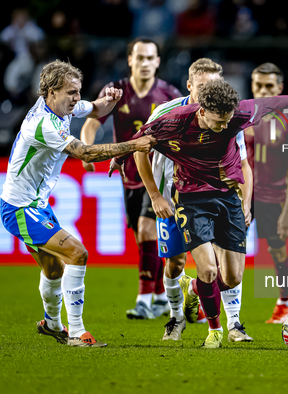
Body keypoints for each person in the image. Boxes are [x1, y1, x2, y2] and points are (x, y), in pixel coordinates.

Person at [110, 79, 288, 348]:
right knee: (207, 269)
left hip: (228, 198)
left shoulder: (240, 113)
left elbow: (277, 103)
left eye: (228, 120)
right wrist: (119, 157)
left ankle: (192, 288)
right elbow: (139, 140)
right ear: (202, 111)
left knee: (232, 278)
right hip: (191, 198)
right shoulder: (175, 121)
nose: (224, 126)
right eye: (218, 121)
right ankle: (215, 330)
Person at [0, 60, 156, 347]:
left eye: (78, 91)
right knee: (78, 253)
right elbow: (84, 152)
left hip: (36, 205)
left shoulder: (62, 106)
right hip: (19, 208)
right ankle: (76, 331)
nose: (76, 98)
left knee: (54, 270)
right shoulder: (44, 123)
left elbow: (96, 108)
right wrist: (133, 145)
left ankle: (51, 324)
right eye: (71, 92)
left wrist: (108, 100)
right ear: (50, 92)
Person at [134, 58, 254, 342]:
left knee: (222, 268)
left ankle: (234, 323)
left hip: (212, 197)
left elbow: (243, 162)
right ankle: (176, 318)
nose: (207, 93)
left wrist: (245, 201)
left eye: (213, 87)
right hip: (171, 200)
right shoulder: (167, 113)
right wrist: (154, 195)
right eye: (201, 87)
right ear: (189, 85)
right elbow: (140, 147)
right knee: (174, 264)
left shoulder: (224, 116)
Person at [80, 38, 182, 320]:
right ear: (130, 60)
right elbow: (91, 123)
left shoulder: (169, 94)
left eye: (151, 58)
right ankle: (162, 296)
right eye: (140, 58)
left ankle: (143, 300)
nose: (145, 63)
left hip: (160, 176)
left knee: (149, 231)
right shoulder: (116, 92)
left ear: (158, 61)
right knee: (144, 240)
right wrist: (87, 152)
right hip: (127, 176)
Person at [244, 63, 288, 324]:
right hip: (241, 197)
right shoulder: (241, 115)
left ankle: (285, 302)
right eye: (258, 85)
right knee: (224, 251)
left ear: (280, 88)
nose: (263, 90)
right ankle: (216, 308)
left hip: (273, 198)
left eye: (269, 86)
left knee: (277, 251)